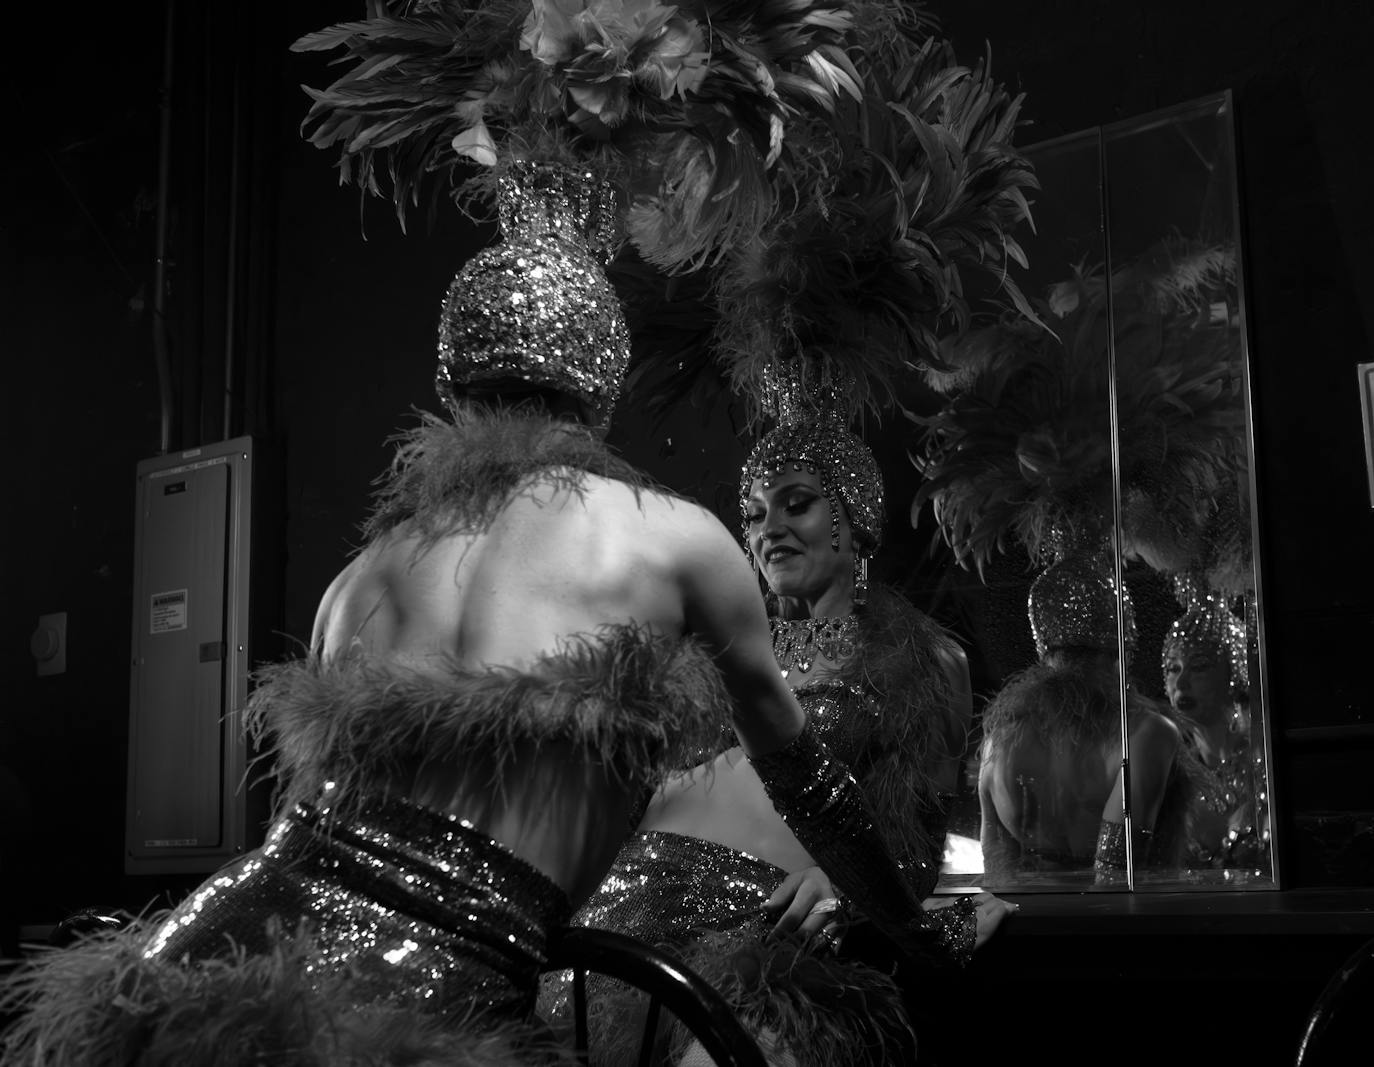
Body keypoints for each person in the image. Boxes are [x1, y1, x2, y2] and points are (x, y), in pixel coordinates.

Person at [0, 152, 939, 1063]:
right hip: (416, 1008)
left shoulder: (361, 575)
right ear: (602, 387)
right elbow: (809, 789)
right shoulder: (679, 540)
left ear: (451, 387)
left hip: (206, 957)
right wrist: (917, 932)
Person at [546, 390, 1014, 1066]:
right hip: (624, 913)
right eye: (755, 514)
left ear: (853, 521)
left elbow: (916, 838)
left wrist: (845, 886)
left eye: (797, 503)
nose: (769, 529)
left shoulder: (926, 659)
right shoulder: (716, 647)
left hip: (758, 940)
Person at [977, 549, 1194, 885]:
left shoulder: (999, 740)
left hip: (1024, 928)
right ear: (1122, 649)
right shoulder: (1144, 734)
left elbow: (997, 873)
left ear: (1044, 650)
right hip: (1109, 928)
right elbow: (1116, 876)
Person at [1161, 587, 1268, 875]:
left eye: (1199, 667)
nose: (1181, 683)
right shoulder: (1170, 774)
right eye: (1173, 668)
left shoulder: (1265, 764)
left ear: (1234, 674)